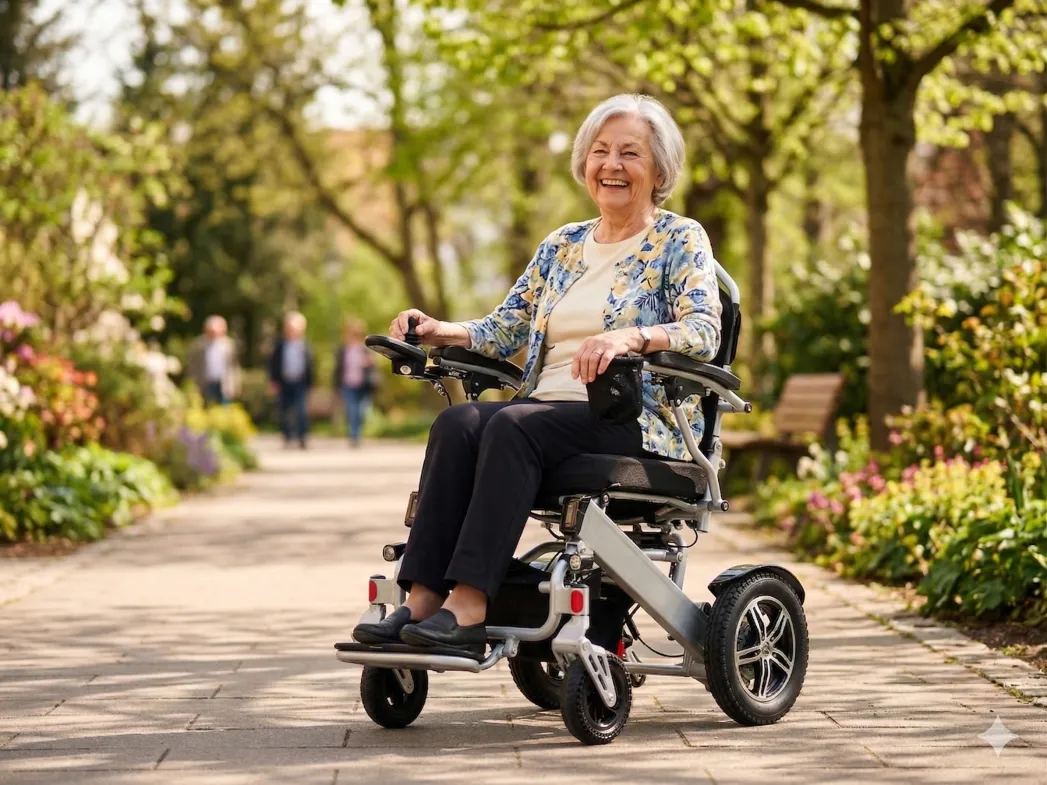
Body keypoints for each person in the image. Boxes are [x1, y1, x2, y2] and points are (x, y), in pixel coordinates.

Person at [353, 94, 723, 656]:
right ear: (584, 164)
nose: (612, 165)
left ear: (659, 169)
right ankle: (424, 599)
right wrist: (440, 330)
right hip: (548, 410)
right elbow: (507, 328)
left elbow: (703, 330)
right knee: (459, 424)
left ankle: (471, 606)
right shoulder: (562, 246)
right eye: (601, 152)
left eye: (630, 153)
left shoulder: (679, 239)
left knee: (511, 427)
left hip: (632, 418)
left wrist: (630, 336)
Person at [267, 311, 315, 449]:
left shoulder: (305, 345)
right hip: (284, 382)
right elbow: (273, 364)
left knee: (301, 411)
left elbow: (311, 365)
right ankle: (287, 436)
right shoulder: (279, 344)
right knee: (284, 411)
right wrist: (273, 381)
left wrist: (310, 384)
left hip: (300, 383)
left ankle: (302, 437)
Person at [334, 318, 376, 447]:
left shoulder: (365, 348)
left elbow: (373, 367)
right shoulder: (343, 349)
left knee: (362, 411)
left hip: (364, 385)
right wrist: (336, 385)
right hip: (348, 384)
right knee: (352, 410)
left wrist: (368, 363)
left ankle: (358, 432)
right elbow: (338, 368)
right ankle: (354, 436)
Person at [187, 315, 241, 405]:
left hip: (224, 384)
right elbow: (193, 365)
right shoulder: (199, 345)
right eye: (211, 331)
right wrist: (194, 383)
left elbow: (234, 367)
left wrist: (235, 385)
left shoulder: (229, 345)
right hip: (206, 383)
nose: (214, 334)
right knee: (208, 407)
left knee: (225, 411)